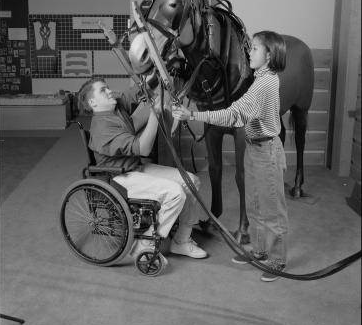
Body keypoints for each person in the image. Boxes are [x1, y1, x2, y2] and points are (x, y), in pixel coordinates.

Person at [172, 31, 288, 282]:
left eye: (255, 49)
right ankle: (258, 251)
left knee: (272, 211)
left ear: (269, 55)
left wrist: (193, 116)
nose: (249, 52)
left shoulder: (266, 84)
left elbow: (235, 115)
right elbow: (237, 110)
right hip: (255, 148)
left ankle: (277, 261)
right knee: (255, 206)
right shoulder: (260, 80)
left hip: (267, 151)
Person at [77, 77, 208, 266]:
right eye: (103, 90)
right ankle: (144, 244)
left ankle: (181, 241)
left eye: (107, 88)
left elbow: (140, 88)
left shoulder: (116, 107)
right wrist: (155, 114)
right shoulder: (102, 128)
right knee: (176, 193)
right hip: (119, 178)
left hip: (134, 167)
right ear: (92, 102)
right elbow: (143, 148)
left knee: (191, 181)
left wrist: (157, 72)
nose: (109, 91)